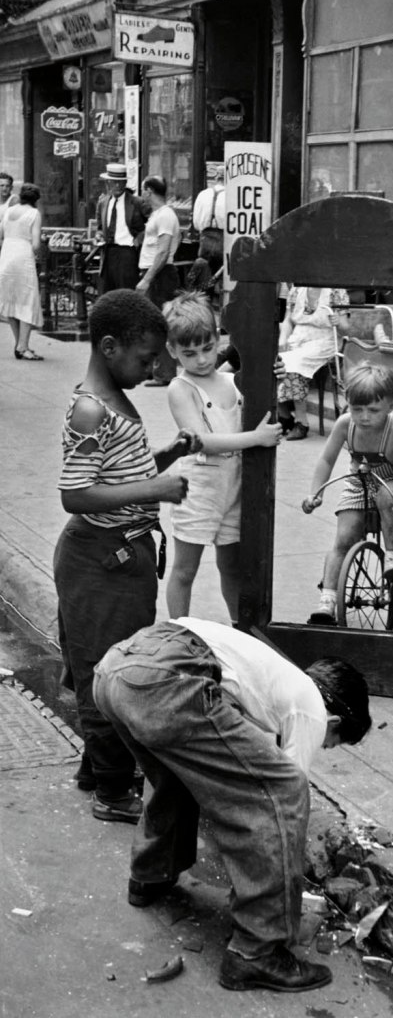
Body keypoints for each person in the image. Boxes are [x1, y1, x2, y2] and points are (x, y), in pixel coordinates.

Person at [92, 617, 372, 991]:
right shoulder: (312, 709)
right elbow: (282, 796)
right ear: (334, 719)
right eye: (332, 741)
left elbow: (236, 765)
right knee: (285, 792)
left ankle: (150, 875)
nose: (324, 745)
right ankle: (257, 953)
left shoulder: (267, 675)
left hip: (118, 668)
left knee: (175, 773)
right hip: (168, 679)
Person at [53, 290, 199, 824]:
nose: (153, 368)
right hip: (99, 559)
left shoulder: (113, 399)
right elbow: (75, 494)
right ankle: (113, 791)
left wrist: (166, 456)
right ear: (109, 347)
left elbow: (117, 473)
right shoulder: (92, 408)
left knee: (111, 663)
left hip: (121, 556)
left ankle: (99, 768)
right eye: (145, 359)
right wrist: (156, 490)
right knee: (105, 674)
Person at [164, 291, 282, 621]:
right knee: (185, 569)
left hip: (234, 485)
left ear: (219, 339)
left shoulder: (232, 381)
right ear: (172, 350)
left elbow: (263, 403)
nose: (201, 359)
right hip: (199, 487)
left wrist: (274, 374)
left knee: (232, 567)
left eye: (207, 348)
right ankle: (178, 630)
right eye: (189, 353)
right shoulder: (181, 388)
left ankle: (240, 628)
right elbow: (200, 440)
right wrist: (256, 438)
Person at [303, 362, 393, 625]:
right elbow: (326, 459)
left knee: (387, 498)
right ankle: (328, 600)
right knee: (344, 537)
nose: (364, 416)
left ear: (390, 406)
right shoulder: (346, 425)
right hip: (359, 482)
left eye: (373, 410)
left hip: (392, 481)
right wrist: (315, 493)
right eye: (357, 409)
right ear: (348, 404)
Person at [277, 286, 350, 441]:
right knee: (274, 360)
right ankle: (284, 415)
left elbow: (346, 328)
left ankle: (301, 422)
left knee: (294, 362)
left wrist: (338, 322)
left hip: (325, 341)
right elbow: (288, 320)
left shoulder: (336, 292)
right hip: (298, 338)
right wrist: (282, 339)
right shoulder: (296, 290)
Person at [136, 175, 181, 387]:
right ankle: (155, 369)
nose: (142, 195)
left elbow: (163, 251)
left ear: (149, 191)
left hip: (160, 275)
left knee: (160, 323)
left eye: (144, 191)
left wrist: (147, 278)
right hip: (155, 272)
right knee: (150, 323)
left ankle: (165, 372)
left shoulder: (166, 215)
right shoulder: (158, 214)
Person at [0, 181, 43, 361]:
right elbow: (35, 244)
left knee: (10, 300)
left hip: (7, 254)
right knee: (27, 300)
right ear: (36, 200)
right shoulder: (34, 213)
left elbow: (1, 235)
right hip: (23, 257)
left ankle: (19, 344)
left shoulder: (9, 211)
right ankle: (23, 346)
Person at [96, 163, 148, 293]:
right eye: (114, 182)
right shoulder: (102, 202)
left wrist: (139, 239)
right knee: (107, 293)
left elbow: (153, 221)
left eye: (121, 182)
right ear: (108, 183)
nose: (118, 186)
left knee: (127, 292)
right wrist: (99, 235)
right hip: (108, 253)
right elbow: (100, 227)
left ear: (125, 183)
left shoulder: (137, 202)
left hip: (127, 253)